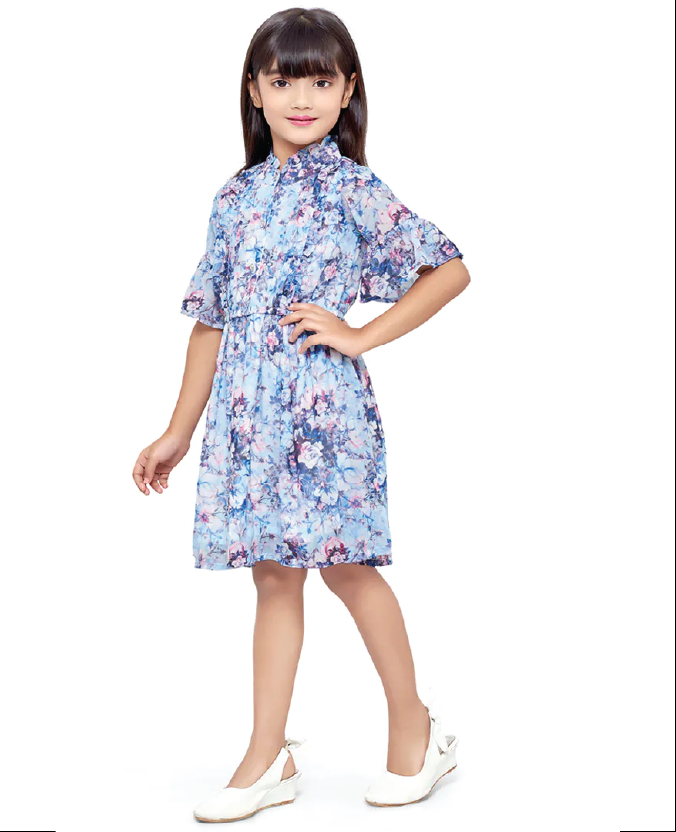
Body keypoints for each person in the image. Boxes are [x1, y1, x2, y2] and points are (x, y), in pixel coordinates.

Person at [132, 6, 470, 823]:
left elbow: (449, 270)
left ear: (348, 89)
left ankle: (416, 731)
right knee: (274, 575)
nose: (302, 98)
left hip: (326, 418)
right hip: (250, 418)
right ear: (254, 91)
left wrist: (359, 334)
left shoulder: (352, 189)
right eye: (283, 81)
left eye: (321, 81)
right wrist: (178, 430)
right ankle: (267, 754)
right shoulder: (234, 198)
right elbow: (210, 321)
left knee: (348, 567)